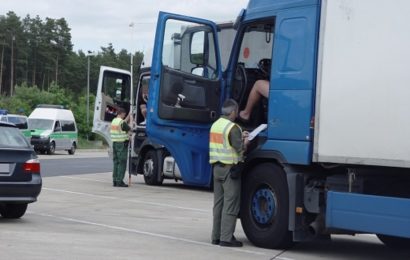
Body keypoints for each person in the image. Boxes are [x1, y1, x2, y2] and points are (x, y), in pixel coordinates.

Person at [209, 99, 249, 247]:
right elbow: (240, 149)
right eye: (236, 111)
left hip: (216, 168)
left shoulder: (215, 125)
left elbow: (225, 143)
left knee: (218, 204)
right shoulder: (233, 127)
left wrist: (240, 135)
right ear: (232, 112)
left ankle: (216, 236)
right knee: (231, 204)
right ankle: (226, 238)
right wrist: (246, 141)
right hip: (229, 169)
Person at [110, 107, 131, 187]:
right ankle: (120, 181)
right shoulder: (121, 122)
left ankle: (115, 180)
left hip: (115, 143)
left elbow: (123, 124)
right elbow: (129, 129)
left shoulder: (114, 121)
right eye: (124, 115)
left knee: (116, 162)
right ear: (122, 114)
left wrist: (129, 116)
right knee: (122, 162)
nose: (124, 116)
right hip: (121, 144)